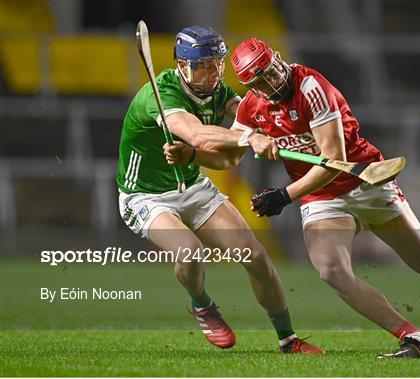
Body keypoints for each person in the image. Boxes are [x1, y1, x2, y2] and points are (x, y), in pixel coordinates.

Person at [226, 37, 420, 358]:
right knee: (331, 270)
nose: (271, 82)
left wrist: (284, 196)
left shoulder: (311, 87)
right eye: (259, 81)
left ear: (279, 59)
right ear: (250, 87)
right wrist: (194, 148)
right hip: (320, 196)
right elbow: (228, 153)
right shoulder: (251, 107)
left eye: (271, 71)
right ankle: (414, 339)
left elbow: (331, 159)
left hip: (363, 181)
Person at [117, 26, 323, 354]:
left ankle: (288, 339)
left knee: (255, 256)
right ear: (183, 66)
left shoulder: (222, 94)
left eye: (218, 63)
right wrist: (249, 137)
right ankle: (202, 306)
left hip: (194, 187)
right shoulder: (162, 93)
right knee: (189, 252)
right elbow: (197, 134)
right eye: (205, 65)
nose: (214, 73)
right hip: (145, 194)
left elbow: (229, 157)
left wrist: (288, 133)